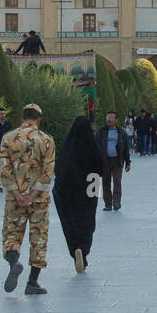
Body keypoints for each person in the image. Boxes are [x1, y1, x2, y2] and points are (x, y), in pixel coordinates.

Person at [0, 103, 56, 294]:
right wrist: (32, 195)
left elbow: (4, 170)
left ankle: (14, 262)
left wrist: (17, 194)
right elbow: (48, 171)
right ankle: (32, 282)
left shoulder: (7, 138)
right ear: (38, 119)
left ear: (22, 118)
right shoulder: (47, 140)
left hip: (14, 198)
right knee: (39, 237)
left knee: (12, 234)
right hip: (39, 199)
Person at [53, 115, 103, 273]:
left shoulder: (67, 147)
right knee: (88, 220)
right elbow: (100, 168)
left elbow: (58, 169)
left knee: (70, 221)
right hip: (90, 185)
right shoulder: (92, 145)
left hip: (68, 190)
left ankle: (75, 249)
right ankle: (84, 249)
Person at [100, 110, 132, 211]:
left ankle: (117, 202)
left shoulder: (121, 133)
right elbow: (96, 146)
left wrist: (128, 162)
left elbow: (126, 148)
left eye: (111, 118)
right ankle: (108, 204)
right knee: (106, 182)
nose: (108, 119)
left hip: (117, 160)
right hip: (105, 161)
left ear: (116, 120)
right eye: (107, 117)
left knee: (117, 182)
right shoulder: (101, 132)